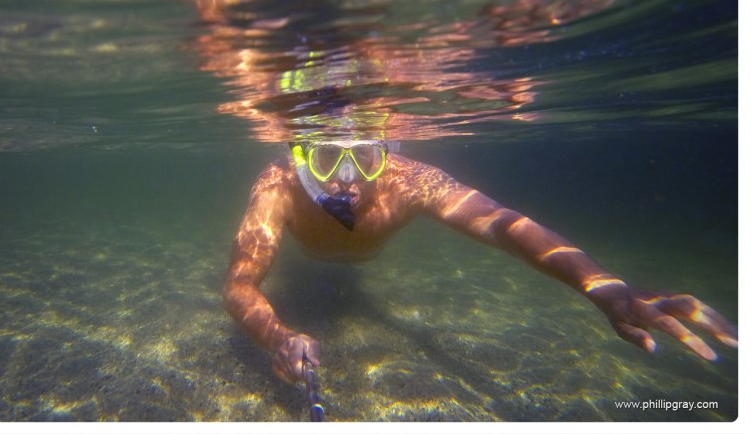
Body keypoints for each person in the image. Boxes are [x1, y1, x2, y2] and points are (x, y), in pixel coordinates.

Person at [223, 139, 738, 384]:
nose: (346, 180)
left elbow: (500, 223)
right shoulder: (278, 187)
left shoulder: (410, 181)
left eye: (366, 156)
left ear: (389, 153)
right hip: (310, 258)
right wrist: (279, 336)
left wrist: (600, 285)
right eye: (325, 157)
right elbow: (240, 284)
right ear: (299, 158)